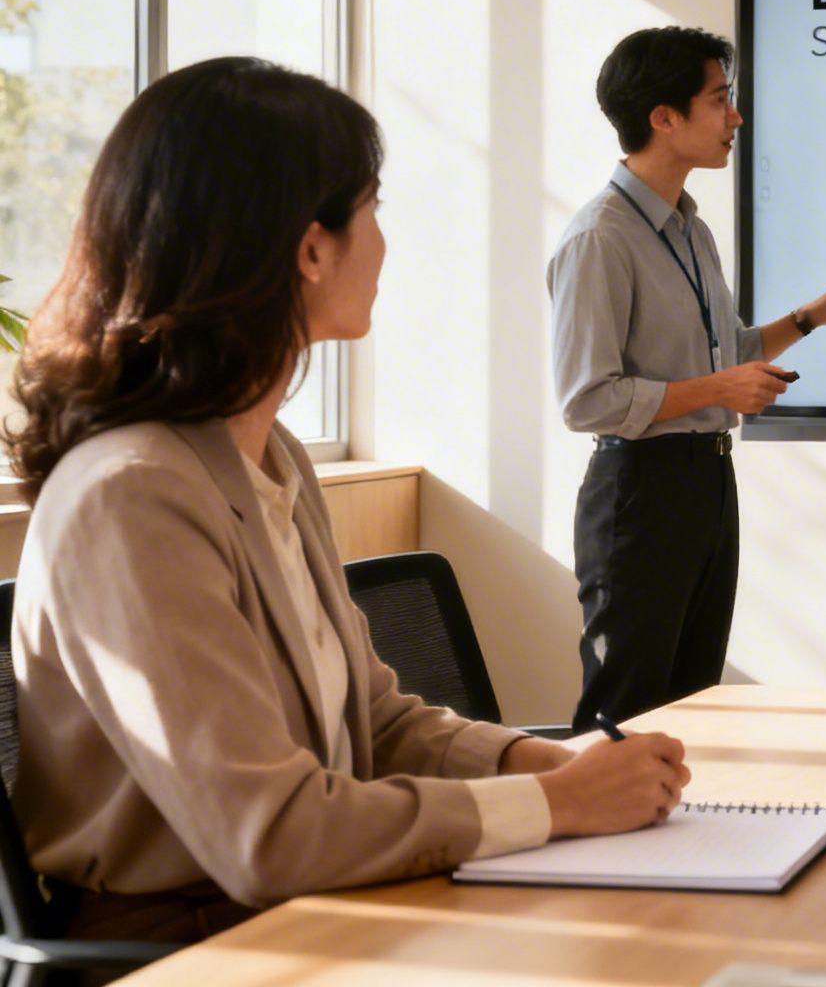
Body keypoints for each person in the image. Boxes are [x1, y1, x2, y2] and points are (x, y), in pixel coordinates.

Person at [5, 57, 689, 944]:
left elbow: (372, 719)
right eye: (373, 209)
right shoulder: (130, 495)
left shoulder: (266, 454)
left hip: (317, 911)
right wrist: (552, 804)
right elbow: (272, 835)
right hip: (195, 948)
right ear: (311, 246)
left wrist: (543, 762)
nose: (384, 241)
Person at [549, 26, 826, 732]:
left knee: (692, 704)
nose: (735, 117)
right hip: (639, 493)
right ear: (663, 117)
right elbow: (589, 400)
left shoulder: (689, 228)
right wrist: (717, 391)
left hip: (706, 483)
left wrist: (809, 317)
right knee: (626, 711)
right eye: (720, 100)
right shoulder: (600, 238)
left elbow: (719, 353)